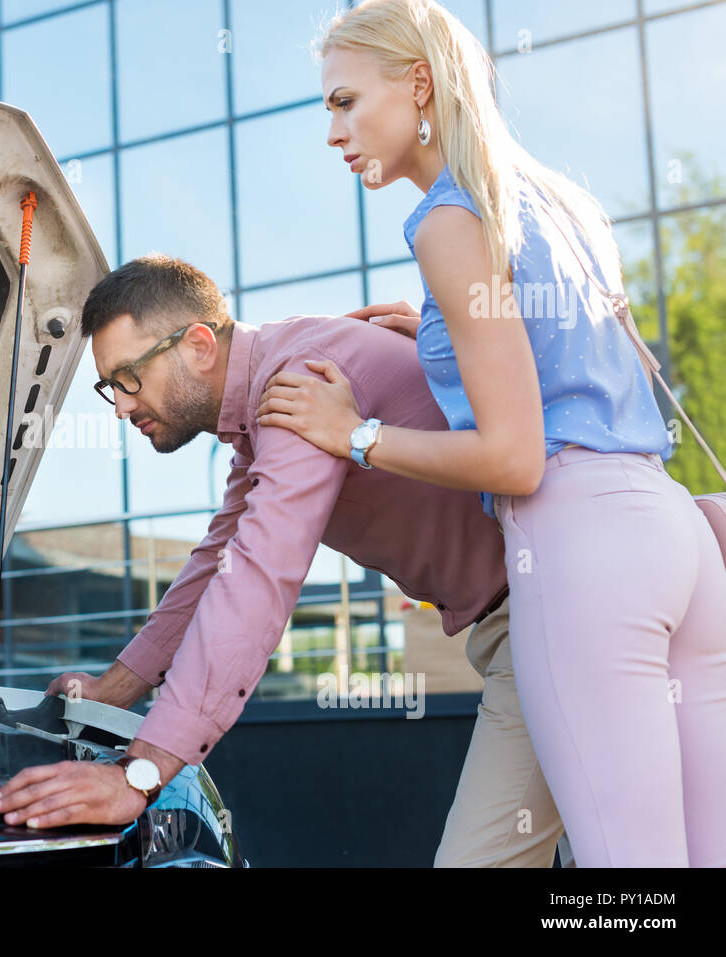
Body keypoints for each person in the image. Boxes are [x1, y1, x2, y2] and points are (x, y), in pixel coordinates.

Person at [254, 0, 726, 866]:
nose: (333, 130)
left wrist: (352, 434)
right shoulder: (561, 202)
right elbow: (557, 353)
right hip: (677, 539)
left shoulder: (447, 219)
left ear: (419, 85)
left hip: (585, 551)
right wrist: (438, 338)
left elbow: (515, 457)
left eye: (344, 101)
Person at [0, 254, 571, 866]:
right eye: (109, 386)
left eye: (129, 377)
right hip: (541, 612)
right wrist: (111, 691)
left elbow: (260, 579)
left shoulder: (302, 381)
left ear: (198, 345)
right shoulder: (271, 399)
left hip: (559, 608)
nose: (120, 407)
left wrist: (143, 773)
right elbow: (215, 568)